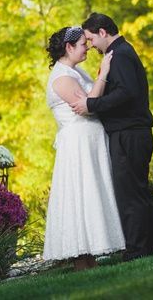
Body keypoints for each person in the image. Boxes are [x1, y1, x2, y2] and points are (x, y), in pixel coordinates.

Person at [70, 13, 153, 261]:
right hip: (135, 132)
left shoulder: (119, 55)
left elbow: (126, 93)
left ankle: (137, 250)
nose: (90, 45)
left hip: (128, 133)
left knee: (129, 194)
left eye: (91, 39)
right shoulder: (122, 52)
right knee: (139, 191)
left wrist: (91, 105)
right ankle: (151, 246)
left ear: (102, 32)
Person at [43, 26, 125, 270]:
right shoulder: (62, 78)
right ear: (68, 47)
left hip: (89, 143)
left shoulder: (74, 71)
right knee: (82, 196)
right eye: (82, 44)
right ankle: (82, 260)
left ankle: (91, 259)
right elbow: (89, 105)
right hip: (78, 146)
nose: (87, 48)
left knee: (93, 194)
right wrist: (104, 72)